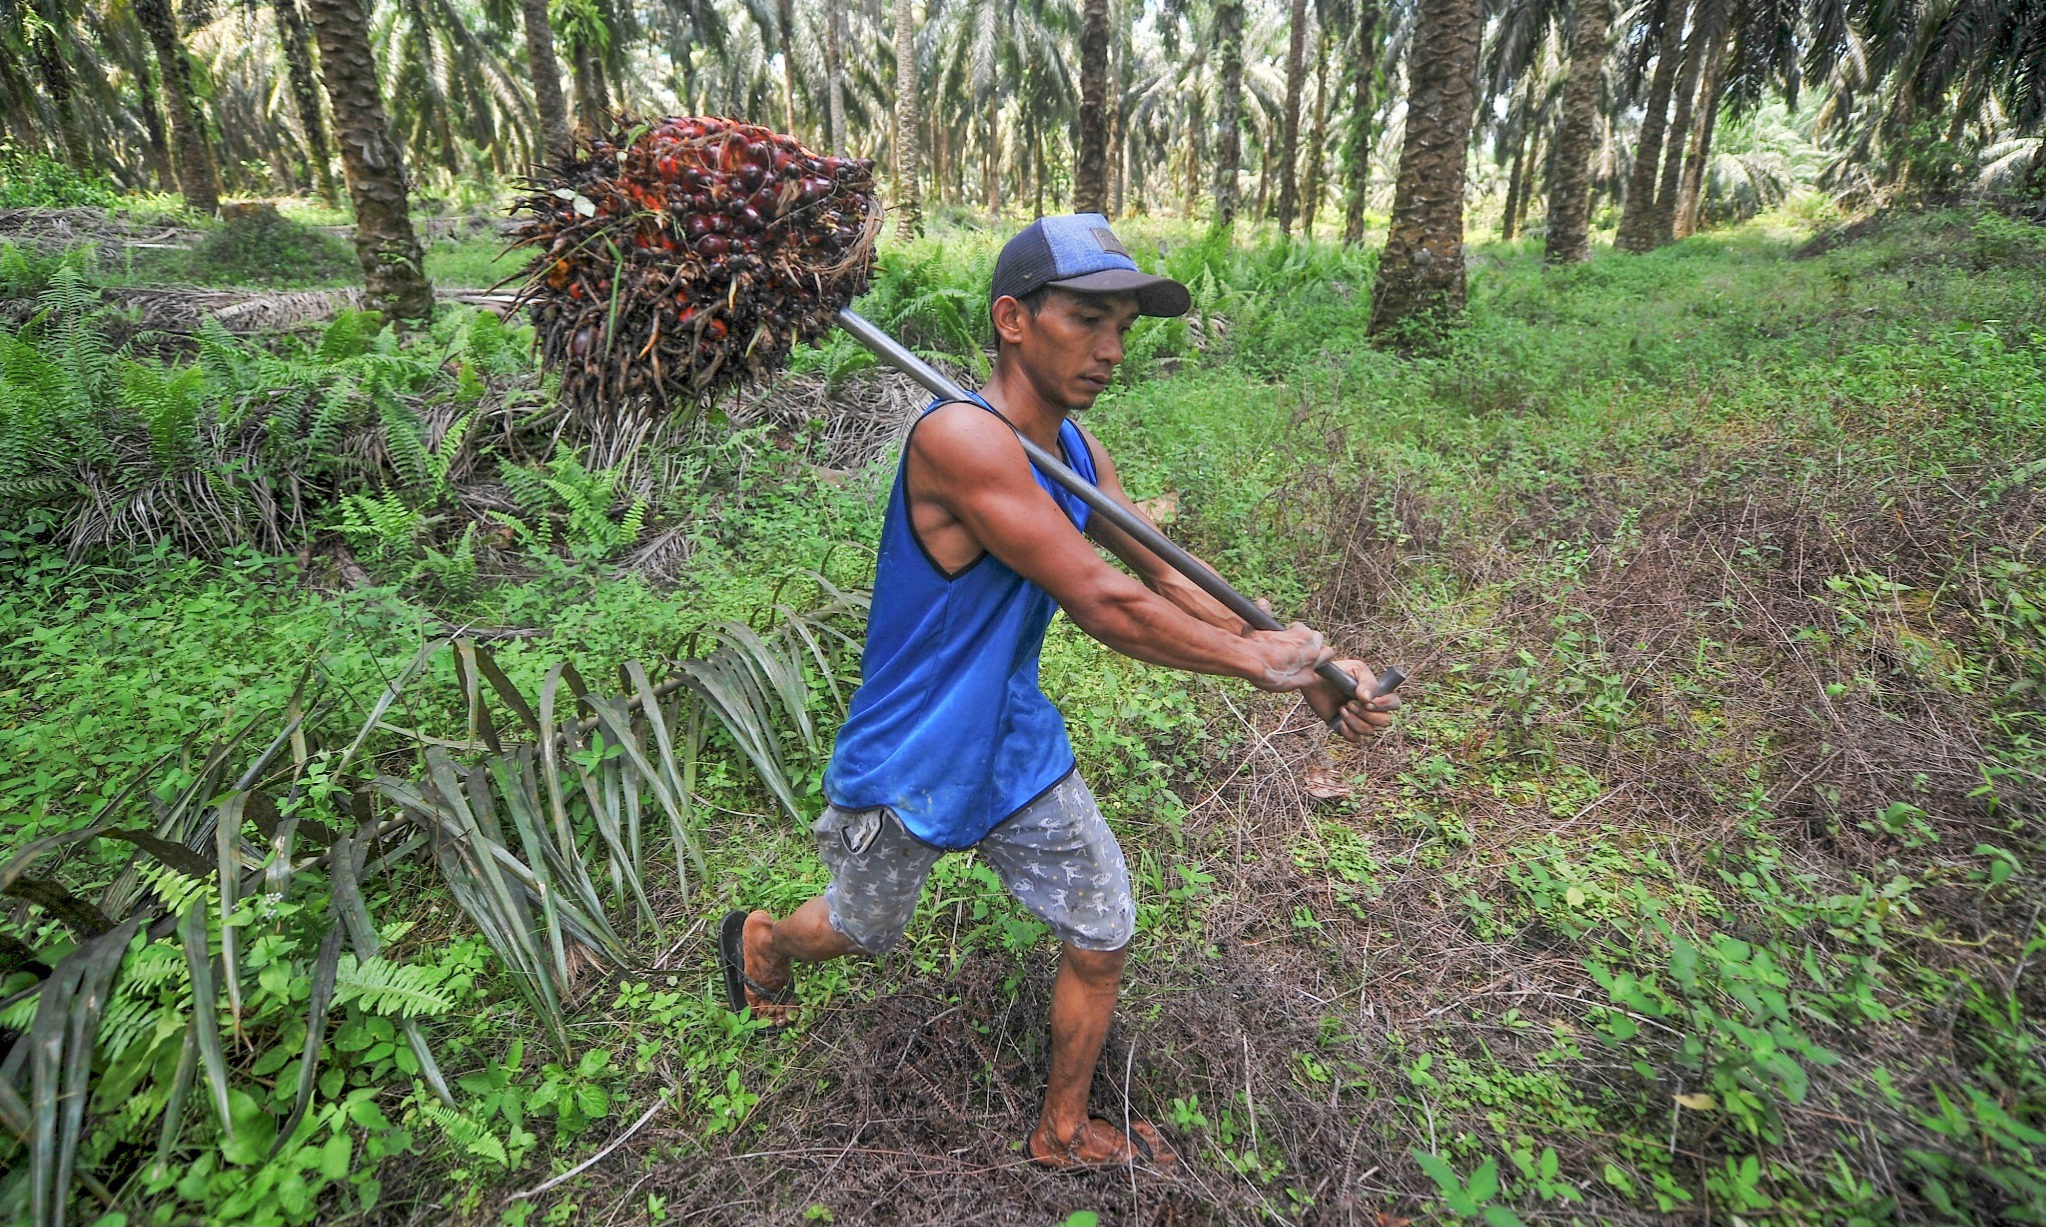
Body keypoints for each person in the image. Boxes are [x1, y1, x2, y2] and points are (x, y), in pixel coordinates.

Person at [717, 214, 1399, 1171]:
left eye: (1123, 325)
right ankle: (765, 939)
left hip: (1010, 739)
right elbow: (1103, 602)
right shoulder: (960, 440)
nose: (1112, 349)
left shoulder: (1074, 449)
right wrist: (1260, 666)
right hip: (913, 748)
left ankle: (1063, 1130)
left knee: (1102, 924)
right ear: (1013, 319)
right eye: (1087, 319)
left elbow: (1163, 573)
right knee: (859, 929)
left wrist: (1306, 667)